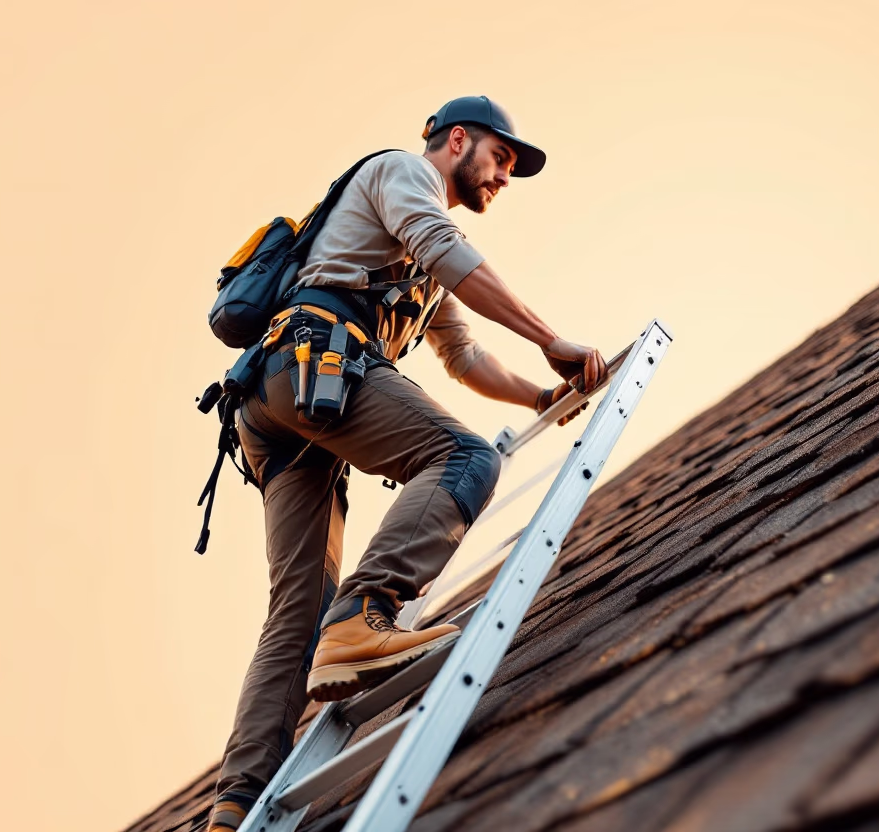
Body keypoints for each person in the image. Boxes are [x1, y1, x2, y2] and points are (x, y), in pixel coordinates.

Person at [207, 95, 608, 830]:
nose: (503, 179)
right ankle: (366, 613)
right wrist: (551, 337)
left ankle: (235, 806)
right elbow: (450, 252)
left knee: (296, 614)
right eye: (502, 159)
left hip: (277, 399)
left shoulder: (410, 266)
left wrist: (539, 394)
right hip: (316, 364)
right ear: (458, 140)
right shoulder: (403, 175)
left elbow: (464, 356)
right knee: (463, 457)